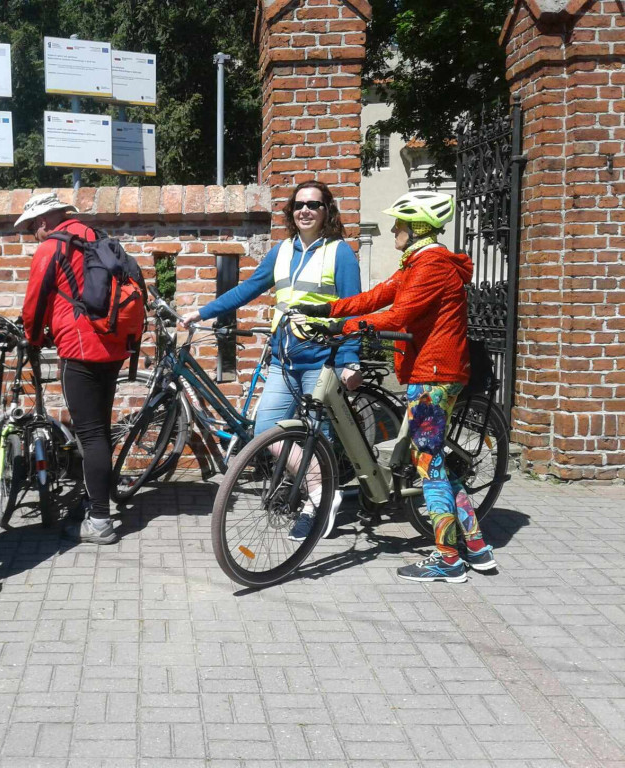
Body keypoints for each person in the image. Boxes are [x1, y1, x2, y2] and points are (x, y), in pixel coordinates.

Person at [298, 191, 497, 583]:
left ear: (418, 226)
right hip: (432, 372)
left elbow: (400, 314)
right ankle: (476, 547)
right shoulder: (417, 261)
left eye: (400, 224)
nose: (393, 229)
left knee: (428, 465)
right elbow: (377, 297)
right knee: (434, 460)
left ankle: (448, 559)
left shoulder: (433, 265)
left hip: (433, 375)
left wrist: (342, 328)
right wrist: (327, 309)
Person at [181, 180, 362, 541]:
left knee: (318, 435)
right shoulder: (281, 251)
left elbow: (353, 310)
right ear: (291, 213)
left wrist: (350, 359)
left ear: (327, 211)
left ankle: (318, 502)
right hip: (284, 359)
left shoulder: (340, 252)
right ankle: (322, 489)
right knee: (266, 429)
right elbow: (246, 289)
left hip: (321, 361)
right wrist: (202, 313)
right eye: (298, 205)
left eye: (313, 204)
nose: (305, 210)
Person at [19, 193, 137, 545]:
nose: (32, 235)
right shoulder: (97, 238)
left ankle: (100, 521)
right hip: (113, 346)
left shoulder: (52, 247)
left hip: (80, 348)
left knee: (90, 434)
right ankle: (95, 499)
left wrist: (33, 340)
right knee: (99, 429)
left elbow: (33, 304)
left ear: (43, 221)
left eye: (30, 228)